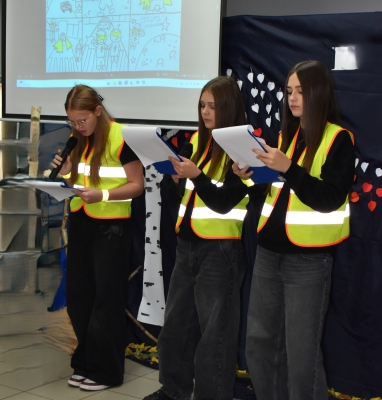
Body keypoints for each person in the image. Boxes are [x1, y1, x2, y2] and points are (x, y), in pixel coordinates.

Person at [233, 60, 355, 399]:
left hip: (308, 261)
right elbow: (274, 192)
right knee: (259, 343)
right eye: (289, 91)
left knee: (302, 355)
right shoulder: (287, 136)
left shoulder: (338, 139)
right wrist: (249, 177)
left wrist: (289, 168)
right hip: (269, 252)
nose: (293, 98)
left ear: (318, 92)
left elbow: (329, 198)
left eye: (300, 91)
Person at [143, 76, 250, 400]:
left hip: (221, 251)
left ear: (228, 108)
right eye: (202, 105)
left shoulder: (244, 149)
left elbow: (223, 201)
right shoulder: (196, 143)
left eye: (212, 106)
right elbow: (178, 196)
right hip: (187, 246)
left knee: (215, 338)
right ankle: (172, 390)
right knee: (175, 328)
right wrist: (175, 180)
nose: (205, 112)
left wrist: (197, 176)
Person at [51, 84, 144, 391]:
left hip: (112, 227)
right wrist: (66, 173)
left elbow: (137, 185)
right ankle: (86, 363)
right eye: (72, 121)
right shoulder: (77, 138)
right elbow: (77, 182)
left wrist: (102, 194)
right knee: (79, 297)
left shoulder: (121, 136)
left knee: (107, 299)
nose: (77, 126)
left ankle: (107, 372)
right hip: (81, 221)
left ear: (98, 111)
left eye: (82, 120)